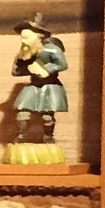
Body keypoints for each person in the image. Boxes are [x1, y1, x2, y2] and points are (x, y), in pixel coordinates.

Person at [10, 12, 68, 152]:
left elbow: (62, 64)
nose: (24, 41)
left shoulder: (52, 49)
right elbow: (15, 71)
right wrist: (27, 68)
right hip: (34, 86)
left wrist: (46, 69)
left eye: (27, 36)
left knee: (47, 115)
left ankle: (48, 137)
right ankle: (21, 136)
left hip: (50, 86)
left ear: (39, 34)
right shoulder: (25, 53)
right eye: (22, 37)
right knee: (22, 112)